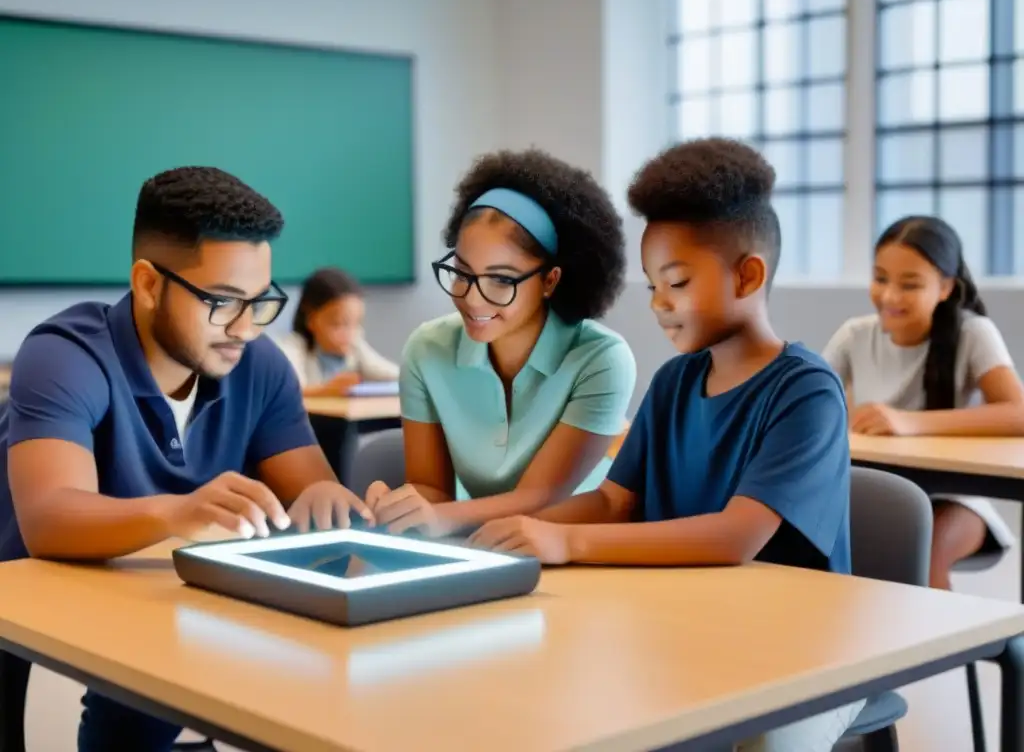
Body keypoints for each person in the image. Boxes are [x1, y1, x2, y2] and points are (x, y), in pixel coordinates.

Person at [468, 138, 863, 751]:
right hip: (691, 629)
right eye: (651, 284)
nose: (657, 304)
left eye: (675, 282)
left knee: (761, 739)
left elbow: (735, 537)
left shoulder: (806, 391)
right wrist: (525, 527)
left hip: (804, 654)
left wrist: (567, 541)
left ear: (748, 274)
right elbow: (611, 502)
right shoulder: (675, 380)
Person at [0, 166, 372, 752]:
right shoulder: (65, 355)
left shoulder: (260, 365)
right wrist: (180, 512)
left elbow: (311, 489)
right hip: (30, 622)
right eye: (223, 301)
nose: (246, 328)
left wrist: (324, 499)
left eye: (262, 302)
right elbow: (48, 519)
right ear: (148, 284)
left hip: (153, 615)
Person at [365, 149, 636, 537]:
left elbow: (542, 497)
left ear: (550, 280)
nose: (472, 299)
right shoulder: (426, 349)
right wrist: (401, 505)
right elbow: (433, 491)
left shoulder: (601, 358)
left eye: (502, 280)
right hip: (484, 545)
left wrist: (441, 517)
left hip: (576, 546)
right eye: (462, 272)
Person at [822, 216, 1024, 590]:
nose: (890, 297)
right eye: (880, 279)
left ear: (946, 287)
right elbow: (810, 403)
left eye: (910, 284)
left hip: (955, 501)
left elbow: (1018, 413)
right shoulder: (854, 335)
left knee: (922, 556)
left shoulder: (973, 332)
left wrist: (910, 422)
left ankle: (950, 649)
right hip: (874, 493)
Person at [274, 266, 399, 397]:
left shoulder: (355, 346)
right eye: (338, 324)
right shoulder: (293, 347)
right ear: (310, 319)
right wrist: (326, 390)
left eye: (357, 324)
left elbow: (393, 375)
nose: (349, 333)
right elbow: (289, 391)